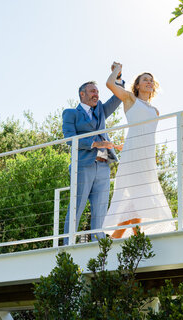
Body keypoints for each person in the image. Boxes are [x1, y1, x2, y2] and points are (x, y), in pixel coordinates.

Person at [102, 62, 175, 239]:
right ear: (137, 85)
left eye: (151, 80)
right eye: (145, 80)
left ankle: (114, 241)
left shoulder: (155, 110)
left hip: (147, 157)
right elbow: (110, 84)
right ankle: (138, 238)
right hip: (132, 155)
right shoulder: (130, 99)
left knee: (137, 200)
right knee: (135, 196)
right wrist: (117, 71)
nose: (149, 82)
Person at [62, 72, 124, 244]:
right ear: (82, 94)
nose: (96, 94)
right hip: (83, 165)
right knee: (77, 207)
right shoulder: (70, 113)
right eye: (92, 91)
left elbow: (118, 98)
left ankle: (100, 246)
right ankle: (68, 245)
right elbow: (69, 139)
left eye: (97, 92)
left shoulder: (101, 111)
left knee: (101, 210)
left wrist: (118, 78)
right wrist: (96, 143)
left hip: (103, 166)